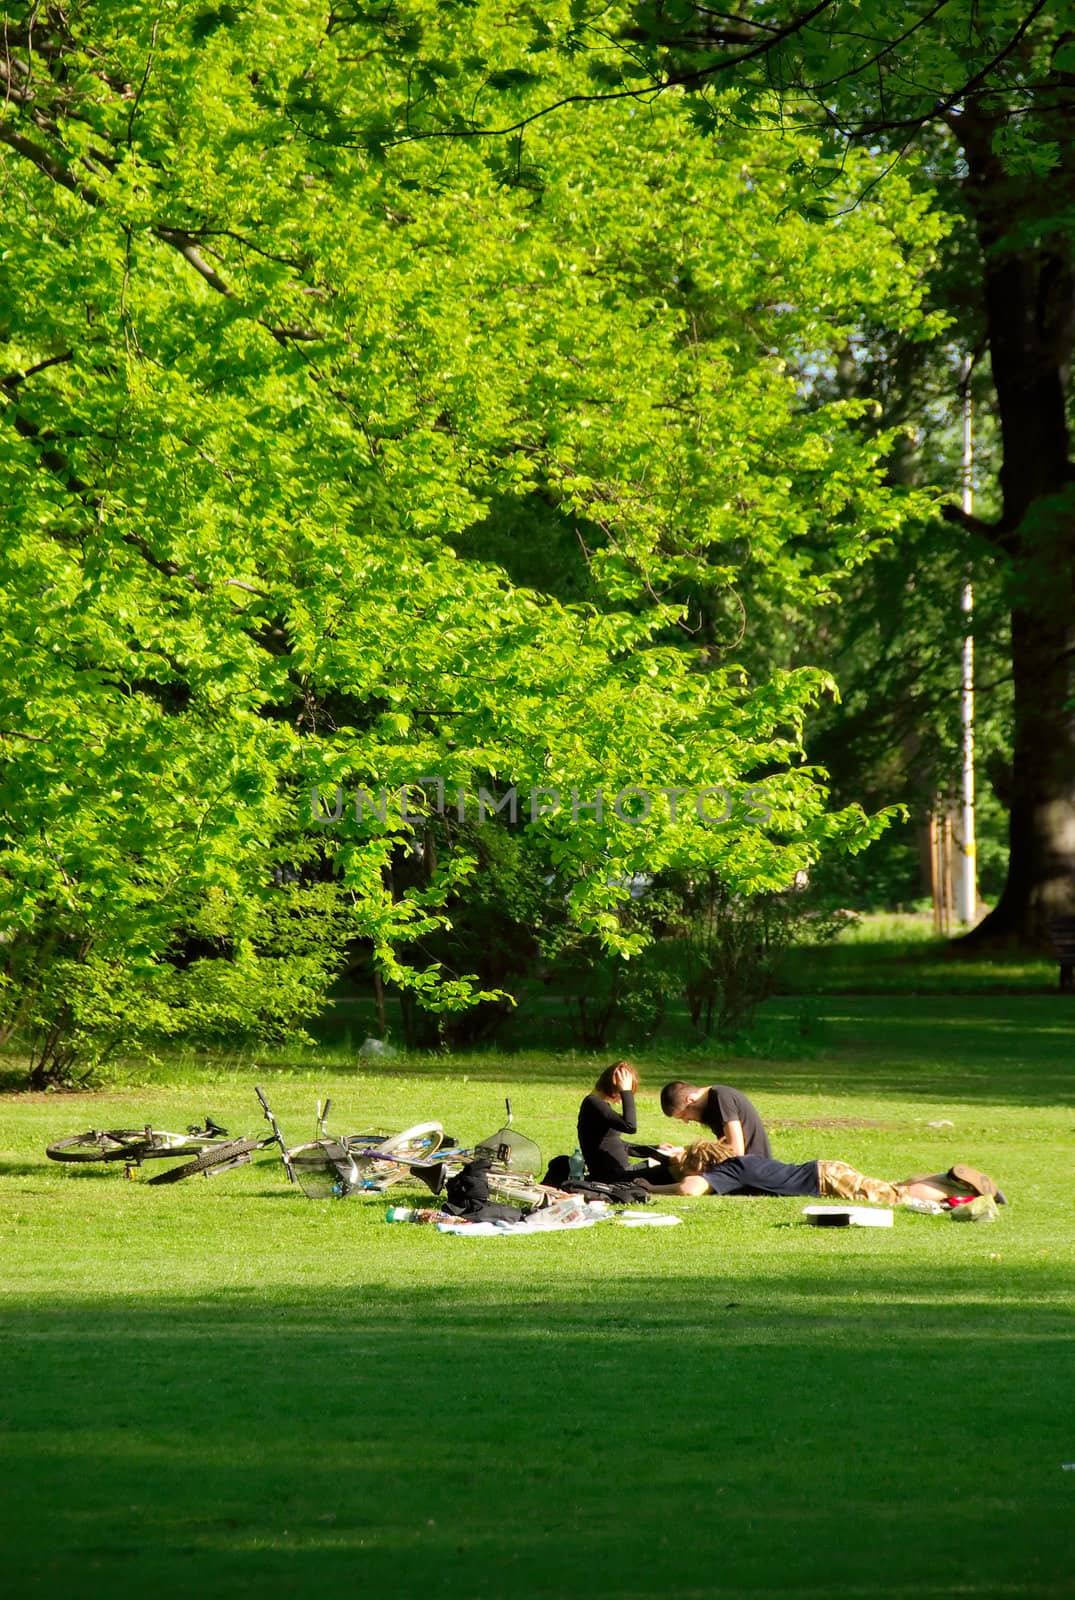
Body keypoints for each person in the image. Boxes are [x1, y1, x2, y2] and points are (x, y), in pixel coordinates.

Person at [639, 1139, 1007, 1209]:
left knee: (894, 1198)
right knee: (892, 1188)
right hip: (826, 1172)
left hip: (826, 1180)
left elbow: (690, 1190)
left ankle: (962, 1194)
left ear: (705, 1164)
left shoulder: (731, 1169)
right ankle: (946, 1178)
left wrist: (653, 1190)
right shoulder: (742, 1162)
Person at [577, 1061, 675, 1184]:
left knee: (665, 1162)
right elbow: (630, 1126)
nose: (621, 1099)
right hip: (614, 1177)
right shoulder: (593, 1104)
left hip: (621, 1173)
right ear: (614, 1087)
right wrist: (626, 1092)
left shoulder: (598, 1104)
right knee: (672, 1171)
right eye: (620, 1093)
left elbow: (617, 1144)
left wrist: (655, 1149)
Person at [660, 1080, 771, 1158]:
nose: (686, 1121)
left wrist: (690, 1153)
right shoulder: (710, 1105)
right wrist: (684, 1151)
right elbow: (724, 1147)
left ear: (691, 1100)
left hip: (750, 1167)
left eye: (683, 1115)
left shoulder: (722, 1097)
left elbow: (736, 1151)